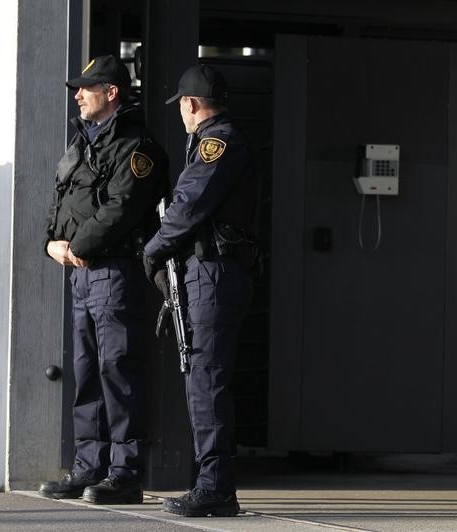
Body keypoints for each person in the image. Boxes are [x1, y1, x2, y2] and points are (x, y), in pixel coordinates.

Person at [39, 55, 167, 505]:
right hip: (83, 273)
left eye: (86, 88)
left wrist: (77, 247)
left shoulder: (136, 148)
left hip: (114, 271)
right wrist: (51, 240)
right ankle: (88, 466)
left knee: (119, 371)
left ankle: (125, 474)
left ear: (111, 93)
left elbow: (121, 208)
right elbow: (61, 195)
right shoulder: (85, 142)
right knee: (87, 371)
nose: (77, 94)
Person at [143, 64, 257, 517]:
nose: (181, 114)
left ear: (190, 104)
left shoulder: (217, 142)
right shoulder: (213, 140)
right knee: (203, 377)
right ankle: (212, 482)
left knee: (206, 378)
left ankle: (215, 486)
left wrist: (151, 250)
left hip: (213, 271)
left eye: (181, 107)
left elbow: (187, 206)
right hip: (209, 271)